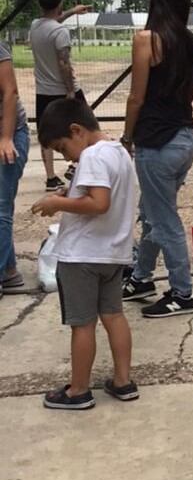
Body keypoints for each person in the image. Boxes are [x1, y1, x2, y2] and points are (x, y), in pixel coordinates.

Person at [31, 98, 137, 409]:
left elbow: (98, 203)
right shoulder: (119, 153)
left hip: (82, 256)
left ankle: (78, 390)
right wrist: (71, 191)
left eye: (63, 148)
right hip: (113, 253)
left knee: (83, 324)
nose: (66, 156)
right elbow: (104, 195)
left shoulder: (91, 155)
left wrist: (57, 203)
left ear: (76, 131)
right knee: (114, 316)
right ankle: (123, 381)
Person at [120, 0, 193, 318]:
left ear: (155, 3)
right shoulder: (191, 43)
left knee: (163, 219)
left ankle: (183, 293)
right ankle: (141, 277)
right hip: (185, 140)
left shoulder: (146, 41)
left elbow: (136, 97)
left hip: (156, 143)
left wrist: (126, 138)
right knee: (153, 212)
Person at [29, 0, 91, 191]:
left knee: (45, 133)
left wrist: (73, 11)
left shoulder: (35, 26)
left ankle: (51, 177)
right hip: (61, 89)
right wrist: (70, 90)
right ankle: (78, 164)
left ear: (41, 5)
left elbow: (52, 22)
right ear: (59, 5)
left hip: (43, 90)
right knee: (86, 126)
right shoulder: (60, 32)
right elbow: (64, 63)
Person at [0, 41, 29, 298]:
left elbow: (10, 91)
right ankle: (9, 271)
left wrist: (6, 137)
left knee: (0, 209)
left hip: (9, 135)